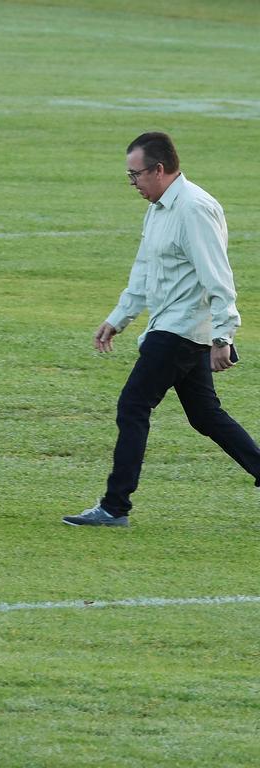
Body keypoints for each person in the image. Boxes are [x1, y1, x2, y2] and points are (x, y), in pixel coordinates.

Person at [64, 131, 260, 527]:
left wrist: (223, 336)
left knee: (133, 406)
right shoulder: (158, 208)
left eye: (135, 175)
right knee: (205, 415)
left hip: (181, 330)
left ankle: (115, 507)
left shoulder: (194, 209)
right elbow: (144, 272)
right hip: (171, 327)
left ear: (159, 169)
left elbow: (218, 278)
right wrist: (118, 318)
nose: (132, 184)